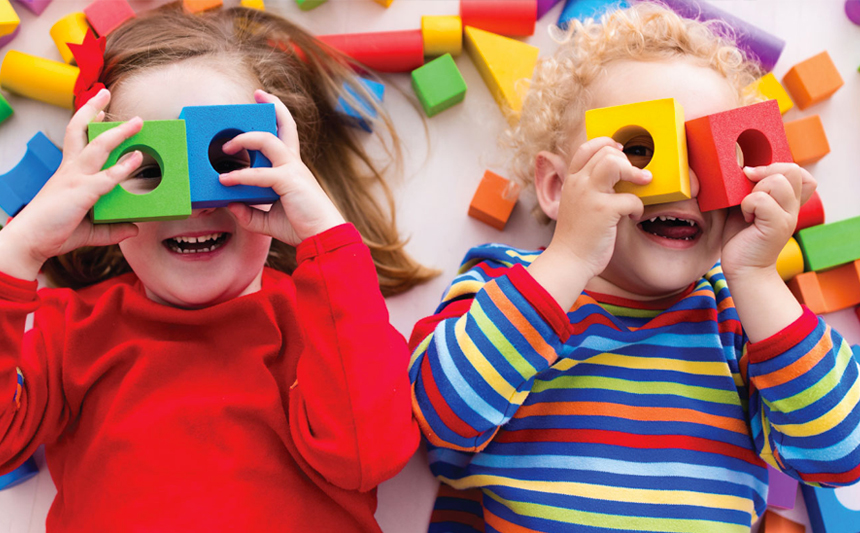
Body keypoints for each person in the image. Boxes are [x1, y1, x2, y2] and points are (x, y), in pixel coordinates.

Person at [408, 4, 860, 532]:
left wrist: (758, 277)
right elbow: (438, 420)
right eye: (641, 151)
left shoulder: (744, 318)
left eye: (711, 159)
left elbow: (840, 453)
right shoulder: (504, 285)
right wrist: (570, 259)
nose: (687, 187)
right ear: (556, 188)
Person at [0, 4, 435, 531]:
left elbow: (371, 455)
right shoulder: (67, 331)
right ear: (96, 193)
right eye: (153, 170)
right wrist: (17, 253)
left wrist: (328, 243)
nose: (192, 206)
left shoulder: (324, 321)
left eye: (225, 163)